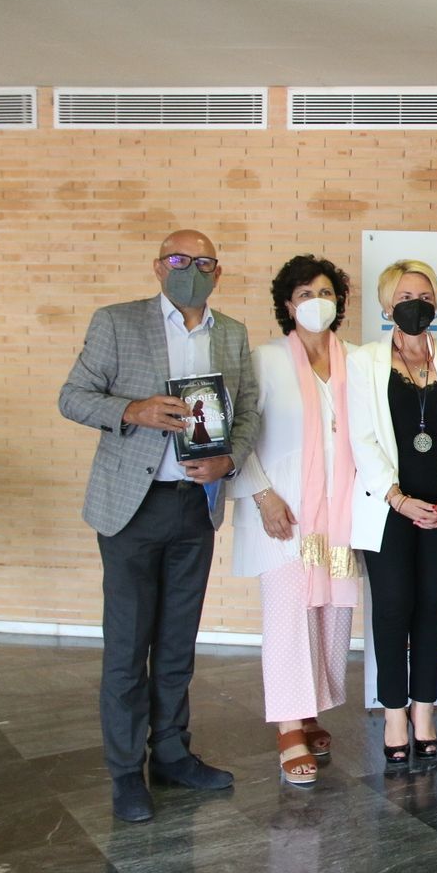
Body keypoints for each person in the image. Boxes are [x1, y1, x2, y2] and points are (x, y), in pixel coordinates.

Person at [58, 229, 260, 823]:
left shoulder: (232, 333)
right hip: (130, 507)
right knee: (127, 646)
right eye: (179, 259)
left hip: (194, 506)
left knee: (176, 644)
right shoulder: (117, 322)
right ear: (157, 267)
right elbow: (72, 397)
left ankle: (171, 753)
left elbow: (246, 411)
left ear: (217, 274)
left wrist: (231, 460)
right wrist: (132, 409)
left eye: (202, 262)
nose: (190, 269)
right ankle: (126, 772)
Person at [229, 255, 359, 787]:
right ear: (287, 304)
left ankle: (310, 712)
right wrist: (262, 496)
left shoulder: (357, 359)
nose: (315, 301)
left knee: (330, 614)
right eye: (304, 293)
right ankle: (288, 726)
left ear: (339, 302)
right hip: (285, 515)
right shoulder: (264, 361)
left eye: (324, 292)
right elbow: (241, 432)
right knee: (289, 614)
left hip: (340, 516)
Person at [347, 259, 437, 767]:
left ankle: (425, 710)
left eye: (423, 294)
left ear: (436, 302)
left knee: (430, 610)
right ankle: (394, 711)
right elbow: (362, 438)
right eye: (403, 297)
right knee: (393, 609)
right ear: (385, 305)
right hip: (388, 508)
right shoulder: (365, 361)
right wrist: (397, 498)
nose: (414, 303)